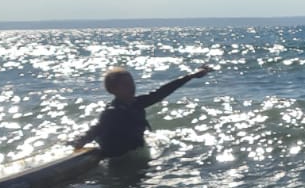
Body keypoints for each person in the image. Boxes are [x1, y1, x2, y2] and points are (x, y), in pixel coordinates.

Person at [71, 66, 211, 159]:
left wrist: (190, 76)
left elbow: (162, 92)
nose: (131, 87)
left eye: (132, 83)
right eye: (126, 85)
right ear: (113, 89)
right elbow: (97, 128)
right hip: (117, 156)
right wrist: (82, 141)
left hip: (135, 151)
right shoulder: (112, 112)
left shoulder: (138, 103)